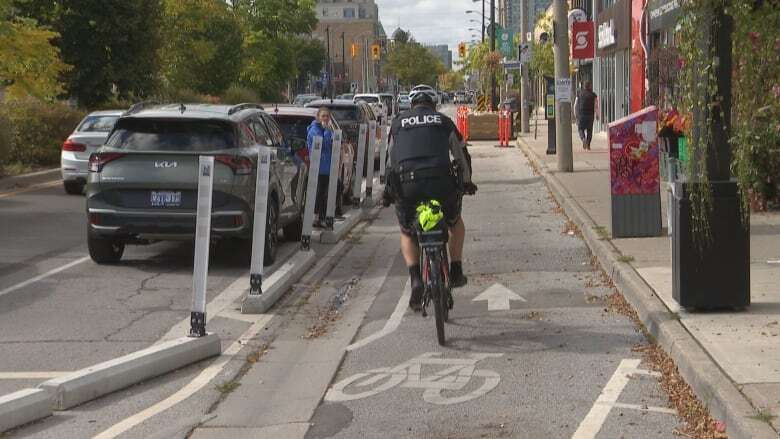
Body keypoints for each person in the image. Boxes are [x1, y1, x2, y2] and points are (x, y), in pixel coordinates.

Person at [385, 88, 478, 311]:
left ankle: (416, 278)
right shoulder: (444, 121)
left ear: (411, 104)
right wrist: (466, 182)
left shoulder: (398, 124)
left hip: (409, 186)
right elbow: (461, 154)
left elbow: (390, 162)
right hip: (441, 184)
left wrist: (388, 192)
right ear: (433, 104)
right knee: (455, 222)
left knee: (407, 231)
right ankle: (455, 270)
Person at [306, 107, 335, 227]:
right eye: (323, 116)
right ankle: (316, 216)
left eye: (327, 116)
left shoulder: (327, 129)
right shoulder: (314, 130)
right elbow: (321, 142)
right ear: (318, 117)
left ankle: (322, 217)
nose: (325, 118)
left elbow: (333, 143)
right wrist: (327, 131)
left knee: (325, 193)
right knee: (319, 193)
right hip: (318, 167)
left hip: (327, 167)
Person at [574, 81, 597, 151]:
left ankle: (583, 138)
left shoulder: (579, 94)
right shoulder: (593, 95)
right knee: (590, 130)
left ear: (584, 86)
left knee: (580, 129)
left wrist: (575, 114)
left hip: (581, 115)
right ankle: (588, 145)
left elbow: (575, 105)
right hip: (590, 115)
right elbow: (596, 106)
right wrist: (597, 114)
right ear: (590, 86)